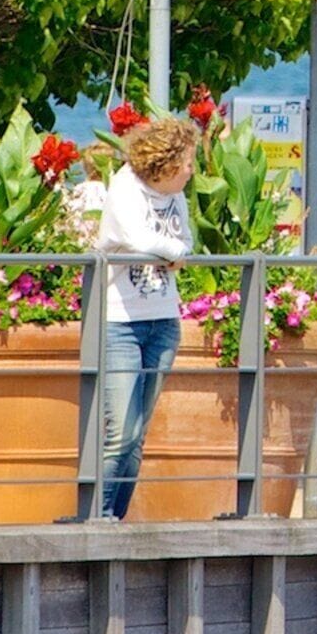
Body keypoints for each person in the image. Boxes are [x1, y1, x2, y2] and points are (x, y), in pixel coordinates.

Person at [72, 113, 198, 519]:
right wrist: (171, 252)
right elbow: (139, 238)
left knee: (137, 436)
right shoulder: (126, 186)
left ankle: (116, 517)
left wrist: (171, 250)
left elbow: (186, 241)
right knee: (120, 433)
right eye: (189, 162)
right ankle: (97, 516)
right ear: (168, 162)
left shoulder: (176, 196)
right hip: (120, 322)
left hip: (163, 319)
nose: (192, 171)